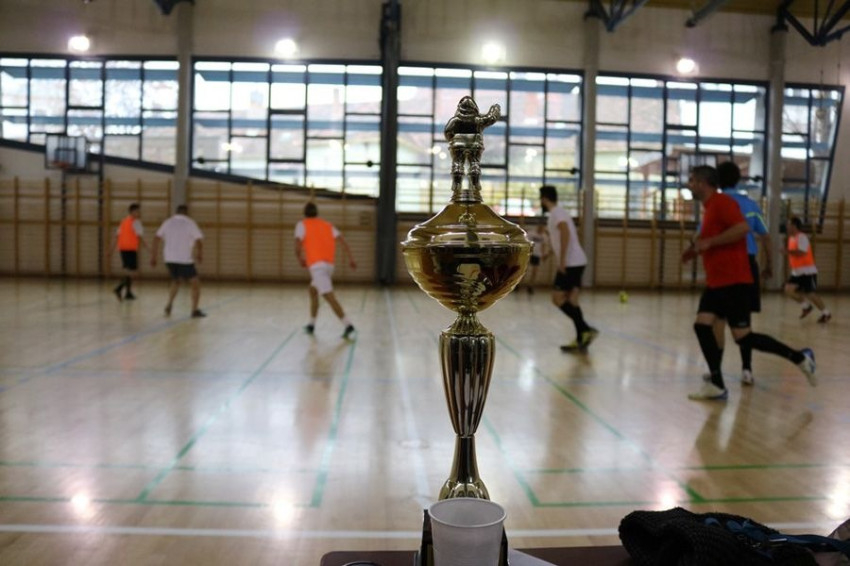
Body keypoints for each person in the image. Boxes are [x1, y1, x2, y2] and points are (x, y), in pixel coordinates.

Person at [683, 166, 815, 401]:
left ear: (703, 183)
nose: (688, 184)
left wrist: (711, 242)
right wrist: (695, 250)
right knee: (702, 326)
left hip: (733, 281)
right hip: (718, 281)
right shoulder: (710, 207)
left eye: (692, 180)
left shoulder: (722, 203)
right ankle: (716, 383)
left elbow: (743, 229)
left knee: (742, 336)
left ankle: (800, 358)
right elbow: (708, 239)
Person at [710, 161, 774, 386]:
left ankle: (716, 370)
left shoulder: (715, 204)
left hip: (723, 267)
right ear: (738, 180)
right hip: (747, 265)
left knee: (718, 319)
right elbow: (765, 236)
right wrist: (770, 265)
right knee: (744, 322)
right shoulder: (751, 205)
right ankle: (747, 370)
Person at [539, 185, 598, 352]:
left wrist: (563, 260)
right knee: (572, 300)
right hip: (578, 261)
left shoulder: (556, 213)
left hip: (571, 263)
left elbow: (565, 233)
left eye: (541, 199)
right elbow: (559, 238)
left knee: (557, 298)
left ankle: (585, 329)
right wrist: (549, 254)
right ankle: (581, 338)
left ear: (545, 198)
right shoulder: (559, 213)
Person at [294, 202, 357, 339]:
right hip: (329, 266)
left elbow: (297, 244)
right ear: (317, 212)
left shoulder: (302, 224)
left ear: (304, 213)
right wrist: (351, 259)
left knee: (329, 296)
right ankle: (311, 324)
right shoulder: (327, 225)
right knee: (313, 290)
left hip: (317, 267)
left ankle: (348, 324)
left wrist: (299, 258)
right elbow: (343, 241)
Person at [150, 204, 205, 318]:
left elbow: (156, 238)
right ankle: (194, 310)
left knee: (176, 281)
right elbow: (199, 240)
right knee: (195, 284)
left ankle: (169, 304)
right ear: (186, 212)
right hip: (184, 259)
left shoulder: (167, 222)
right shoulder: (190, 223)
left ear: (176, 212)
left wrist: (154, 256)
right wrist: (199, 254)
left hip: (169, 259)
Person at [783, 216, 831, 323]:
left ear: (794, 226)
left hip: (807, 271)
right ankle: (806, 306)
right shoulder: (791, 238)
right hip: (796, 272)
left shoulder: (802, 237)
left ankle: (826, 313)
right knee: (788, 290)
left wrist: (787, 251)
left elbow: (801, 252)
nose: (787, 226)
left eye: (789, 224)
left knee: (811, 294)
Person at [111, 202, 147, 301]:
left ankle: (128, 293)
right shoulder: (136, 222)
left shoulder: (123, 221)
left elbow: (117, 235)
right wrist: (148, 248)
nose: (139, 213)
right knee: (131, 272)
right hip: (130, 249)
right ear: (132, 212)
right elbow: (140, 237)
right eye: (137, 211)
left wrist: (111, 249)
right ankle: (119, 288)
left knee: (128, 271)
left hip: (123, 249)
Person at [524, 223, 549, 294]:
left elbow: (543, 245)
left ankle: (530, 285)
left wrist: (543, 254)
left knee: (534, 271)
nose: (541, 229)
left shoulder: (544, 236)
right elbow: (526, 242)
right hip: (530, 253)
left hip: (537, 255)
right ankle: (518, 285)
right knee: (525, 270)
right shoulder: (531, 233)